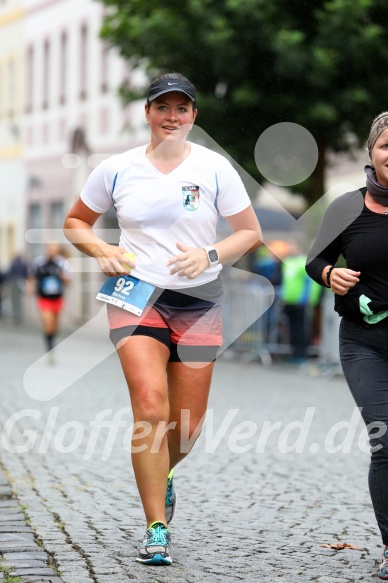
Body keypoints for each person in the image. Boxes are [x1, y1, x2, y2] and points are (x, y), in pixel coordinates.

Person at [64, 72, 262, 566]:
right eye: (162, 107)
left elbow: (249, 233)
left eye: (182, 109)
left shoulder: (216, 168)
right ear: (148, 112)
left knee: (186, 429)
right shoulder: (116, 169)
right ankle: (156, 527)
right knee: (151, 407)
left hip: (198, 300)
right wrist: (102, 249)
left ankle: (165, 471)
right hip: (135, 296)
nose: (172, 117)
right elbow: (75, 223)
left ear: (194, 115)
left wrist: (209, 255)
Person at [306, 111, 388, 580]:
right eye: (385, 146)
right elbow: (314, 260)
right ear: (371, 153)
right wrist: (329, 274)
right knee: (387, 440)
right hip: (365, 341)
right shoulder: (347, 207)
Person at [27, 242, 71, 360]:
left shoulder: (62, 263)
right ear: (46, 250)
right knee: (48, 323)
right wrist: (30, 287)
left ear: (57, 251)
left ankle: (51, 341)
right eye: (50, 249)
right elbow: (31, 277)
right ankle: (49, 348)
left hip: (57, 297)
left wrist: (63, 277)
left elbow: (69, 282)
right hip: (44, 297)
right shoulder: (38, 262)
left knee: (54, 326)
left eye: (54, 249)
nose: (52, 251)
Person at [7, 254, 29, 324]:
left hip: (14, 282)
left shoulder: (14, 264)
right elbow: (26, 273)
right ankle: (19, 315)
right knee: (20, 299)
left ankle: (16, 315)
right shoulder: (23, 264)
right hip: (22, 281)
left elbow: (10, 273)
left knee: (14, 300)